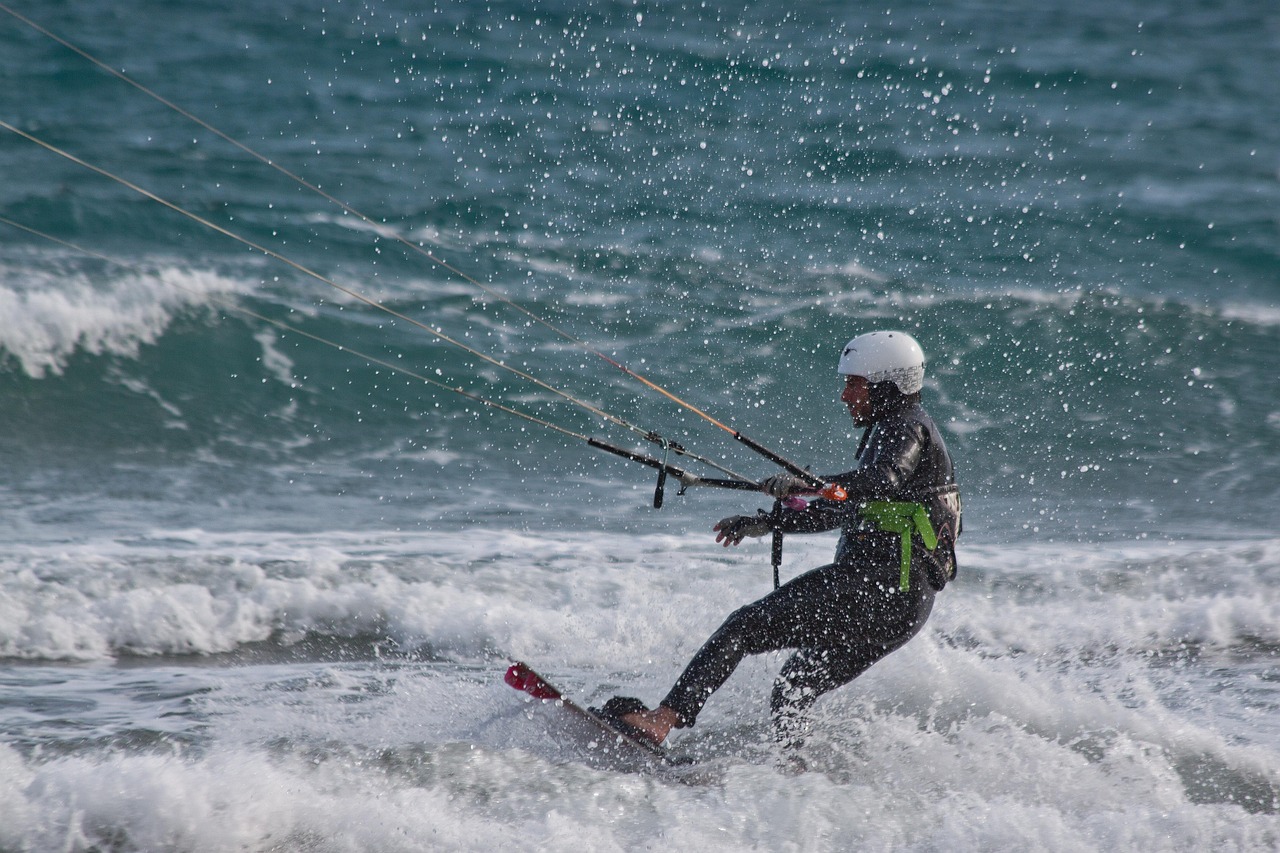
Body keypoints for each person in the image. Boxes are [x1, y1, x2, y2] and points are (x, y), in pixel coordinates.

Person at [605, 330, 962, 751]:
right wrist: (765, 523)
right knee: (794, 686)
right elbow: (846, 506)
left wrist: (808, 483)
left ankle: (661, 721)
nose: (846, 396)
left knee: (743, 628)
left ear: (888, 384)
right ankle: (793, 774)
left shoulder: (905, 429)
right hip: (900, 605)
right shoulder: (894, 430)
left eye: (855, 384)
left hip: (879, 588)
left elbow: (880, 482)